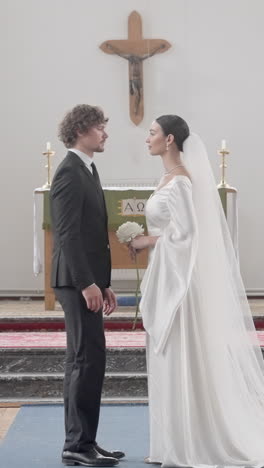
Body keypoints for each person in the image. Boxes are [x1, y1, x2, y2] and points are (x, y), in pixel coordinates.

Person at [129, 115, 264, 467]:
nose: (148, 139)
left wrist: (147, 240)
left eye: (153, 133)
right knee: (164, 359)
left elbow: (188, 234)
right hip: (167, 274)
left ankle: (188, 445)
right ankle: (167, 444)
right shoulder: (166, 179)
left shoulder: (181, 184)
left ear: (170, 139)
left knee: (177, 355)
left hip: (181, 284)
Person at [50, 104, 125, 467]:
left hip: (87, 281)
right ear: (81, 130)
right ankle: (76, 446)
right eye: (99, 127)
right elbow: (66, 235)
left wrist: (103, 283)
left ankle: (86, 441)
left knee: (88, 359)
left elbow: (92, 235)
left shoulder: (87, 169)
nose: (105, 133)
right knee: (84, 359)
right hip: (75, 282)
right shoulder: (69, 172)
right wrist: (85, 283)